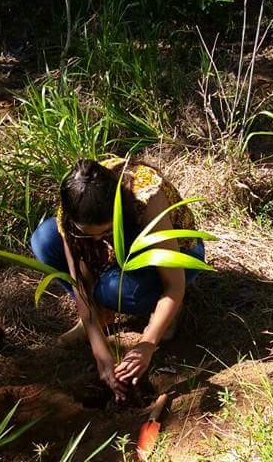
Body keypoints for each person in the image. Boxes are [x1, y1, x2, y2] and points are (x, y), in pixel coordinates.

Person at [29, 157, 206, 400]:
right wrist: (100, 351)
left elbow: (174, 285)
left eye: (106, 231)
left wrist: (147, 343)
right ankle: (101, 315)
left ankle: (165, 315)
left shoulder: (146, 199)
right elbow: (80, 283)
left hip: (179, 256)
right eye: (88, 235)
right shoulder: (71, 208)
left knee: (118, 290)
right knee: (44, 241)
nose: (98, 240)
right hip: (115, 258)